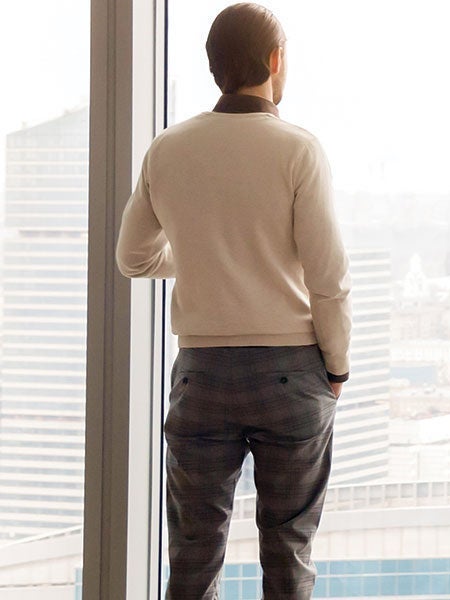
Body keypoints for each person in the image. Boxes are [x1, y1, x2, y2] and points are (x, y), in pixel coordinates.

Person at [114, 4, 350, 598]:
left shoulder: (167, 149)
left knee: (193, 560)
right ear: (274, 60)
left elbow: (134, 258)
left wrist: (198, 258)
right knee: (288, 555)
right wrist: (338, 365)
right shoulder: (298, 149)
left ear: (215, 66)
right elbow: (328, 277)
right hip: (292, 373)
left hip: (202, 375)